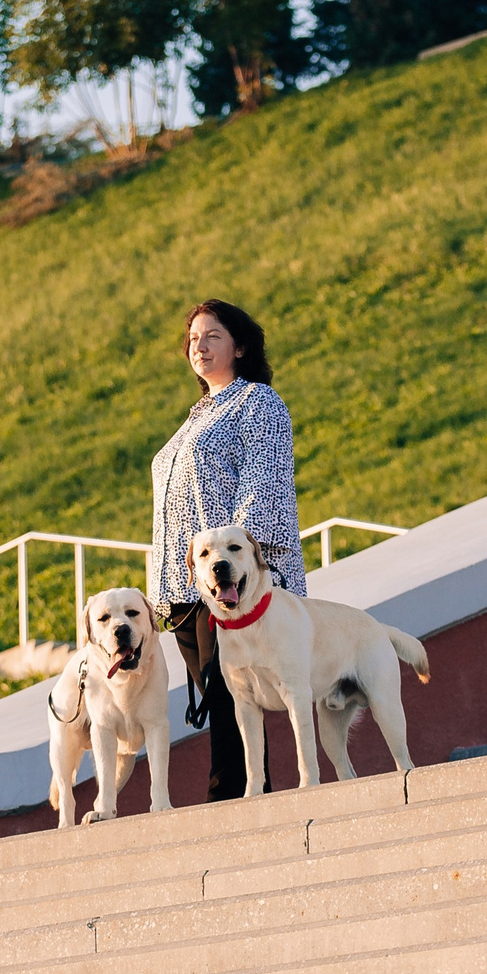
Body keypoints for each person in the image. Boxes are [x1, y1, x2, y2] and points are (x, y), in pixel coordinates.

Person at [151, 298, 305, 798]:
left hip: (230, 584)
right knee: (224, 700)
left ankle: (231, 805)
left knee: (230, 696)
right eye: (193, 339)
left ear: (240, 347)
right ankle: (249, 800)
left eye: (212, 336)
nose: (199, 346)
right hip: (186, 591)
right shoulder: (197, 417)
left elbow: (266, 485)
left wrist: (232, 569)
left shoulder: (258, 402)